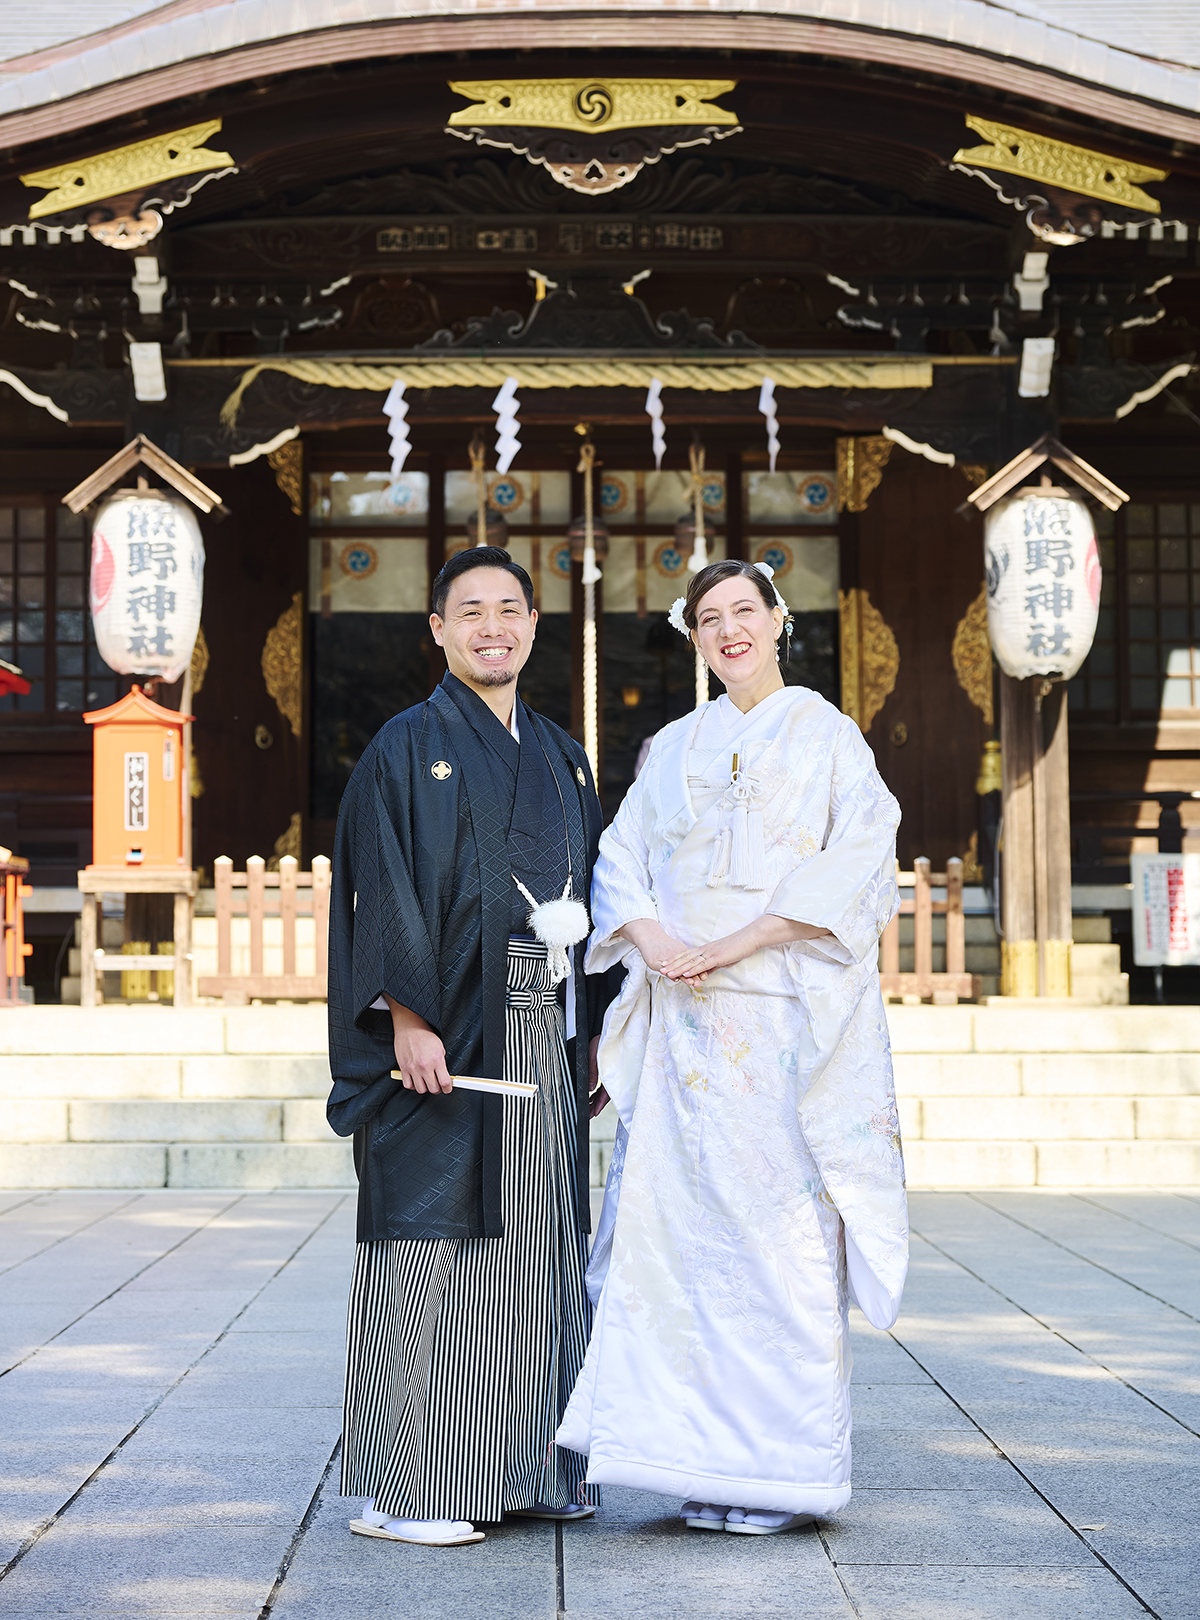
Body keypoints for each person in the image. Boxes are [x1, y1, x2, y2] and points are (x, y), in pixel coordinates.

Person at [557, 558, 908, 1535]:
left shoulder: (827, 736)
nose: (728, 631)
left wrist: (741, 940)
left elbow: (860, 861)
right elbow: (619, 856)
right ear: (694, 635)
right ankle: (696, 1464)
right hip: (685, 1030)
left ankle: (780, 1477)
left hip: (778, 1024)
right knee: (676, 1247)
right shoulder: (675, 744)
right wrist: (655, 939)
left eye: (743, 611)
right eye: (708, 618)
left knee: (779, 1248)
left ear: (777, 620)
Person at [327, 546, 616, 1548]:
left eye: (509, 610)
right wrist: (406, 1017)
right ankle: (410, 1490)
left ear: (533, 624)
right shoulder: (407, 747)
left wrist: (595, 1029)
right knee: (433, 1249)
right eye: (471, 612)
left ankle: (527, 1468)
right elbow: (379, 881)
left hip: (547, 1027)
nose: (493, 627)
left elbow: (598, 891)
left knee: (540, 1251)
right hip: (450, 1029)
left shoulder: (562, 754)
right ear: (438, 630)